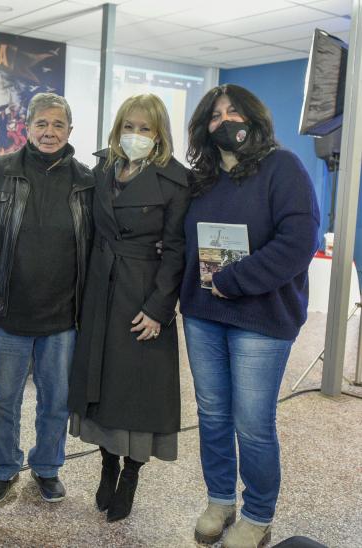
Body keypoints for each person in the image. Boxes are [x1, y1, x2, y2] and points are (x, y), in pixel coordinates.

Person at [181, 84, 319, 548]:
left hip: (261, 317)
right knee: (213, 415)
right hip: (203, 314)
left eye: (233, 111)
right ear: (205, 127)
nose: (225, 122)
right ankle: (220, 499)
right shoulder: (200, 178)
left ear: (254, 118)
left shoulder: (283, 167)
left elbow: (298, 242)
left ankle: (258, 514)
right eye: (215, 116)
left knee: (253, 423)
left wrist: (235, 280)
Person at [68, 93, 191, 522]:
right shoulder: (102, 169)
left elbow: (176, 250)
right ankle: (106, 465)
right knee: (101, 387)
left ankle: (131, 476)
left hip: (144, 293)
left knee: (137, 393)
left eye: (145, 129)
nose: (135, 135)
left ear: (159, 134)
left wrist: (159, 308)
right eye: (129, 126)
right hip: (101, 289)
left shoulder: (176, 181)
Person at [0, 93, 94, 505]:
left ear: (69, 130)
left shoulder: (85, 180)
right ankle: (2, 468)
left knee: (55, 401)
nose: (49, 132)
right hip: (6, 311)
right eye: (42, 124)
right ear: (26, 127)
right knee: (1, 399)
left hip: (63, 317)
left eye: (58, 125)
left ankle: (47, 466)